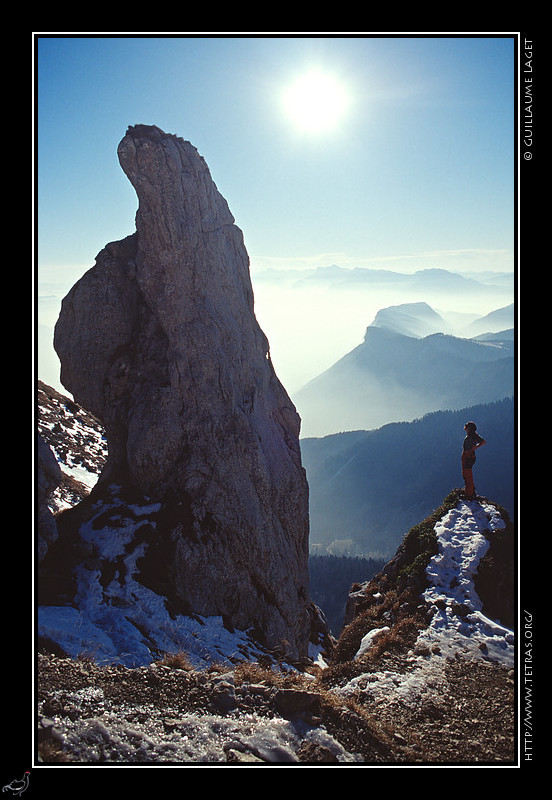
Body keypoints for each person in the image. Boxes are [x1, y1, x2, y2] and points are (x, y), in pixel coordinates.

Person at [461, 421, 486, 500]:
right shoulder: (474, 436)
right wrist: (476, 447)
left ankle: (469, 494)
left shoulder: (471, 436)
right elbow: (483, 442)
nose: (465, 429)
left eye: (467, 428)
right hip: (470, 456)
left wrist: (475, 447)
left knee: (467, 475)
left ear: (469, 429)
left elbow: (483, 442)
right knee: (468, 474)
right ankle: (470, 491)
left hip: (468, 457)